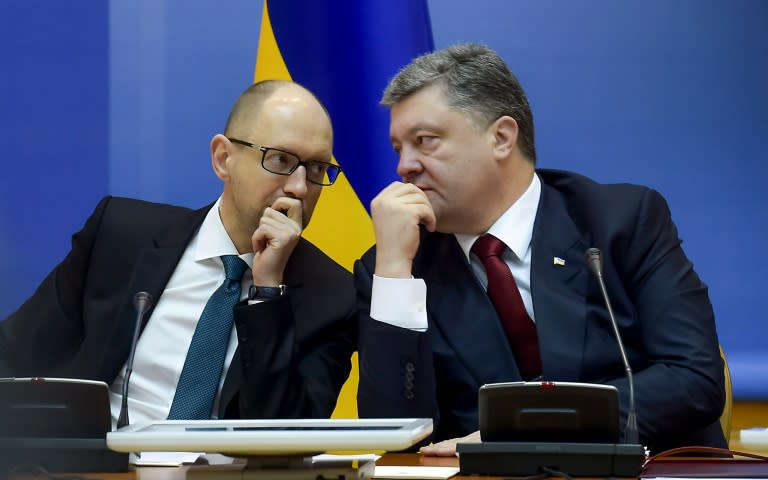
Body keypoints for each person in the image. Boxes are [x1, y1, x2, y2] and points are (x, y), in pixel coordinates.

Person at [355, 43, 726, 455]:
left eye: (424, 141)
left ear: (501, 137)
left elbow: (693, 379)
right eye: (398, 148)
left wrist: (530, 430)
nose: (404, 166)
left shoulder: (619, 221)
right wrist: (392, 270)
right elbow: (392, 435)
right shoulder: (398, 266)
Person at [0, 80, 356, 425]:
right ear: (223, 158)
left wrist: (267, 292)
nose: (298, 187)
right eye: (280, 160)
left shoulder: (332, 297)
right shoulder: (120, 236)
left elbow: (287, 438)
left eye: (317, 169)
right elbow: (16, 354)